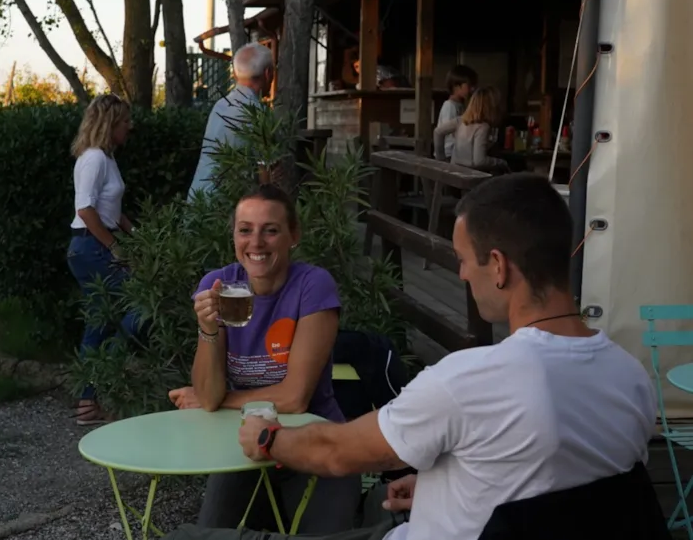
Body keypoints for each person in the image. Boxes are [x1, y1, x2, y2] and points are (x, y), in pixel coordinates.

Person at [168, 173, 656, 540]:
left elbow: (334, 452)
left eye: (463, 261)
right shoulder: (631, 377)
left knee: (185, 536)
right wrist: (443, 485)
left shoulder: (470, 380)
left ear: (500, 268)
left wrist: (268, 436)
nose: (462, 276)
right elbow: (557, 490)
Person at [168, 184, 362, 534]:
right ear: (234, 236)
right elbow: (208, 397)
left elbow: (294, 398)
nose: (255, 243)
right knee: (214, 533)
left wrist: (221, 400)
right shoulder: (219, 285)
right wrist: (207, 328)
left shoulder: (312, 286)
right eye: (245, 230)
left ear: (293, 236)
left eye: (270, 230)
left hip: (315, 440)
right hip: (244, 445)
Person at [67, 94, 141, 426]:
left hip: (93, 245)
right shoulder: (94, 158)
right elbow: (85, 210)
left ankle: (87, 404)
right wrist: (115, 247)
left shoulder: (107, 159)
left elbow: (111, 209)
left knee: (97, 324)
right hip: (91, 247)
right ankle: (104, 375)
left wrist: (136, 234)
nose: (130, 126)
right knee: (143, 304)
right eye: (125, 121)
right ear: (110, 123)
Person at [187, 43, 275, 198]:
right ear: (268, 73)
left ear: (235, 74)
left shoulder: (220, 105)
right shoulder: (259, 114)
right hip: (224, 206)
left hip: (197, 199)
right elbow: (266, 177)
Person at [434, 85, 509, 172]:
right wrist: (500, 162)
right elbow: (479, 161)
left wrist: (441, 161)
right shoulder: (483, 127)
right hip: (471, 176)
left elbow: (438, 132)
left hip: (455, 170)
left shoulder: (461, 121)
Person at [436, 65, 478, 160]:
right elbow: (447, 132)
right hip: (449, 154)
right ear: (456, 86)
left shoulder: (461, 105)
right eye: (469, 86)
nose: (473, 89)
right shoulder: (449, 106)